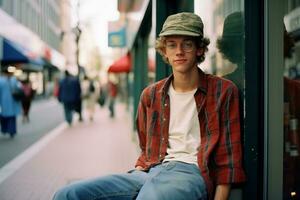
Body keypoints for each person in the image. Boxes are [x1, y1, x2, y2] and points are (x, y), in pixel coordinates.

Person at [53, 12, 246, 200]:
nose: (179, 51)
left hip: (192, 173)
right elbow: (146, 149)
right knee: (68, 194)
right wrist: (140, 171)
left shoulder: (223, 91)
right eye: (172, 45)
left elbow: (227, 160)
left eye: (187, 44)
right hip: (150, 171)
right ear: (165, 51)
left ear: (199, 49)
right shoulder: (151, 95)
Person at [0, 66, 22, 138]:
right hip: (11, 102)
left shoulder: (2, 80)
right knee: (10, 117)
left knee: (5, 116)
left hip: (5, 102)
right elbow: (19, 88)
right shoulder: (13, 80)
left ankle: (6, 130)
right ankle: (11, 131)